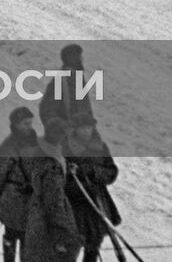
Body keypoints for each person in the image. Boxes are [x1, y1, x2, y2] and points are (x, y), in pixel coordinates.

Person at [66, 110, 119, 262]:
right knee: (70, 247)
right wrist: (73, 176)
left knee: (93, 246)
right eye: (82, 128)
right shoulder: (65, 148)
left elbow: (111, 172)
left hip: (97, 203)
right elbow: (58, 177)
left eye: (89, 127)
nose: (86, 131)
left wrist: (92, 171)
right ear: (74, 129)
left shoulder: (100, 147)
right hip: (73, 204)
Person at [25, 118, 79, 262]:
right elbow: (53, 202)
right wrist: (62, 234)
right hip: (47, 224)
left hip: (36, 217)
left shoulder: (41, 150)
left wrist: (66, 170)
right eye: (64, 134)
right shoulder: (51, 164)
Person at [0, 107, 38, 262]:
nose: (29, 127)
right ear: (16, 125)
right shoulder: (9, 146)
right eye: (26, 124)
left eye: (30, 123)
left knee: (24, 237)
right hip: (15, 197)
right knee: (14, 234)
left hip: (26, 197)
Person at [39, 44, 94, 126]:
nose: (81, 60)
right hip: (69, 135)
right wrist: (59, 132)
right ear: (71, 58)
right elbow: (48, 111)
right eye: (78, 57)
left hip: (82, 134)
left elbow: (86, 110)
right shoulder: (61, 81)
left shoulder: (78, 79)